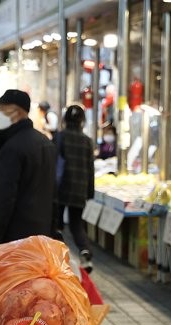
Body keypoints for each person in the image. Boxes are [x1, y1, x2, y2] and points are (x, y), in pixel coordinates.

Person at [0, 89, 57, 247]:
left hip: (15, 236)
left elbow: (3, 197)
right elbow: (54, 193)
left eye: (0, 110)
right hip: (42, 234)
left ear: (16, 113)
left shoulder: (11, 148)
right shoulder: (45, 143)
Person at [54, 105, 97, 272]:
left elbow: (54, 162)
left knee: (56, 223)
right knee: (76, 224)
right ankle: (85, 252)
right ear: (82, 121)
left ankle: (60, 257)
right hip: (79, 189)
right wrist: (89, 192)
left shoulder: (60, 137)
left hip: (61, 187)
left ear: (65, 120)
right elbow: (90, 169)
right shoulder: (87, 141)